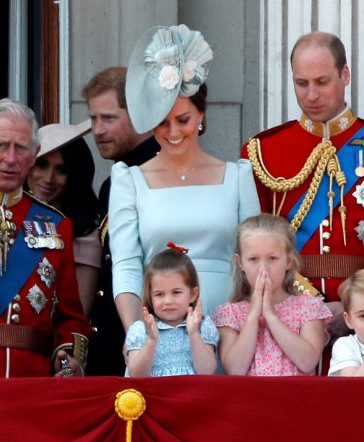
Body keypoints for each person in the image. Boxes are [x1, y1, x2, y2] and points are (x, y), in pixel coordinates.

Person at [241, 31, 364, 343]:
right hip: (285, 313)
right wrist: (295, 302)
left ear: (345, 75)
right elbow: (253, 243)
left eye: (322, 82)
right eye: (302, 83)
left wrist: (356, 305)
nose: (311, 95)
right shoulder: (262, 152)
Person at [109, 25, 260, 338]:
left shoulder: (238, 177)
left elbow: (255, 263)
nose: (173, 132)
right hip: (156, 326)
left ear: (201, 115)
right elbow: (125, 266)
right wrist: (136, 334)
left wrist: (247, 331)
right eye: (162, 123)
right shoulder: (130, 180)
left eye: (183, 119)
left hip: (229, 325)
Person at [0, 98, 91, 377]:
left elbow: (71, 318)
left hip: (31, 386)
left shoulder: (56, 224)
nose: (11, 159)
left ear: (34, 153)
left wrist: (68, 359)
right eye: (1, 145)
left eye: (21, 148)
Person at [82, 66, 161, 376]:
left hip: (148, 340)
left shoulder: (158, 174)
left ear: (140, 114)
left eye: (108, 118)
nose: (97, 130)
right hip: (115, 338)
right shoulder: (116, 179)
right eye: (93, 119)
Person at [212, 214, 332, 376]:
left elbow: (308, 361)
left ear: (288, 260)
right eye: (253, 259)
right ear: (240, 263)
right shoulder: (230, 313)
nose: (264, 269)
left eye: (273, 258)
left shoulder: (309, 307)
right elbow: (235, 369)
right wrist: (254, 314)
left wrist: (270, 316)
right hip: (250, 399)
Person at [27, 120, 101, 317]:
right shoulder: (4, 216)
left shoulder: (84, 234)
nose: (49, 178)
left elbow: (78, 313)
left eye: (62, 170)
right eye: (42, 164)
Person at [125, 246, 219, 377]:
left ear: (193, 293)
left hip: (191, 394)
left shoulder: (202, 326)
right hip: (155, 394)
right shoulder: (141, 329)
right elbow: (136, 375)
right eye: (159, 294)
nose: (168, 301)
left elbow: (207, 371)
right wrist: (151, 340)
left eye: (176, 292)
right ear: (150, 296)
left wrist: (193, 334)